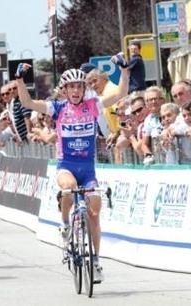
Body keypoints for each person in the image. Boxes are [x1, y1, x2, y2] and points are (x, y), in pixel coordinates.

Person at [15, 62, 129, 283]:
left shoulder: (93, 104)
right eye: (71, 87)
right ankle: (65, 224)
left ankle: (95, 261)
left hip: (88, 168)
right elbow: (27, 102)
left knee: (95, 213)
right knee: (68, 189)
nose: (76, 91)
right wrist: (19, 80)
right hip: (66, 165)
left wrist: (124, 70)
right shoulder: (57, 108)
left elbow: (122, 92)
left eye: (79, 86)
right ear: (64, 90)